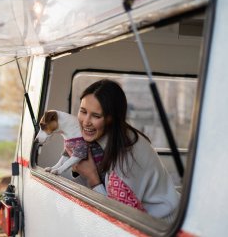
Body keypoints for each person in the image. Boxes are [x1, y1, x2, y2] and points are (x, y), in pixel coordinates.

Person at [72, 79, 180, 223]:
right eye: (83, 111)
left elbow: (117, 219)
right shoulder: (98, 138)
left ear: (112, 118)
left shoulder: (128, 155)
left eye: (96, 116)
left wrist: (92, 177)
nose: (86, 121)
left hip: (164, 225)